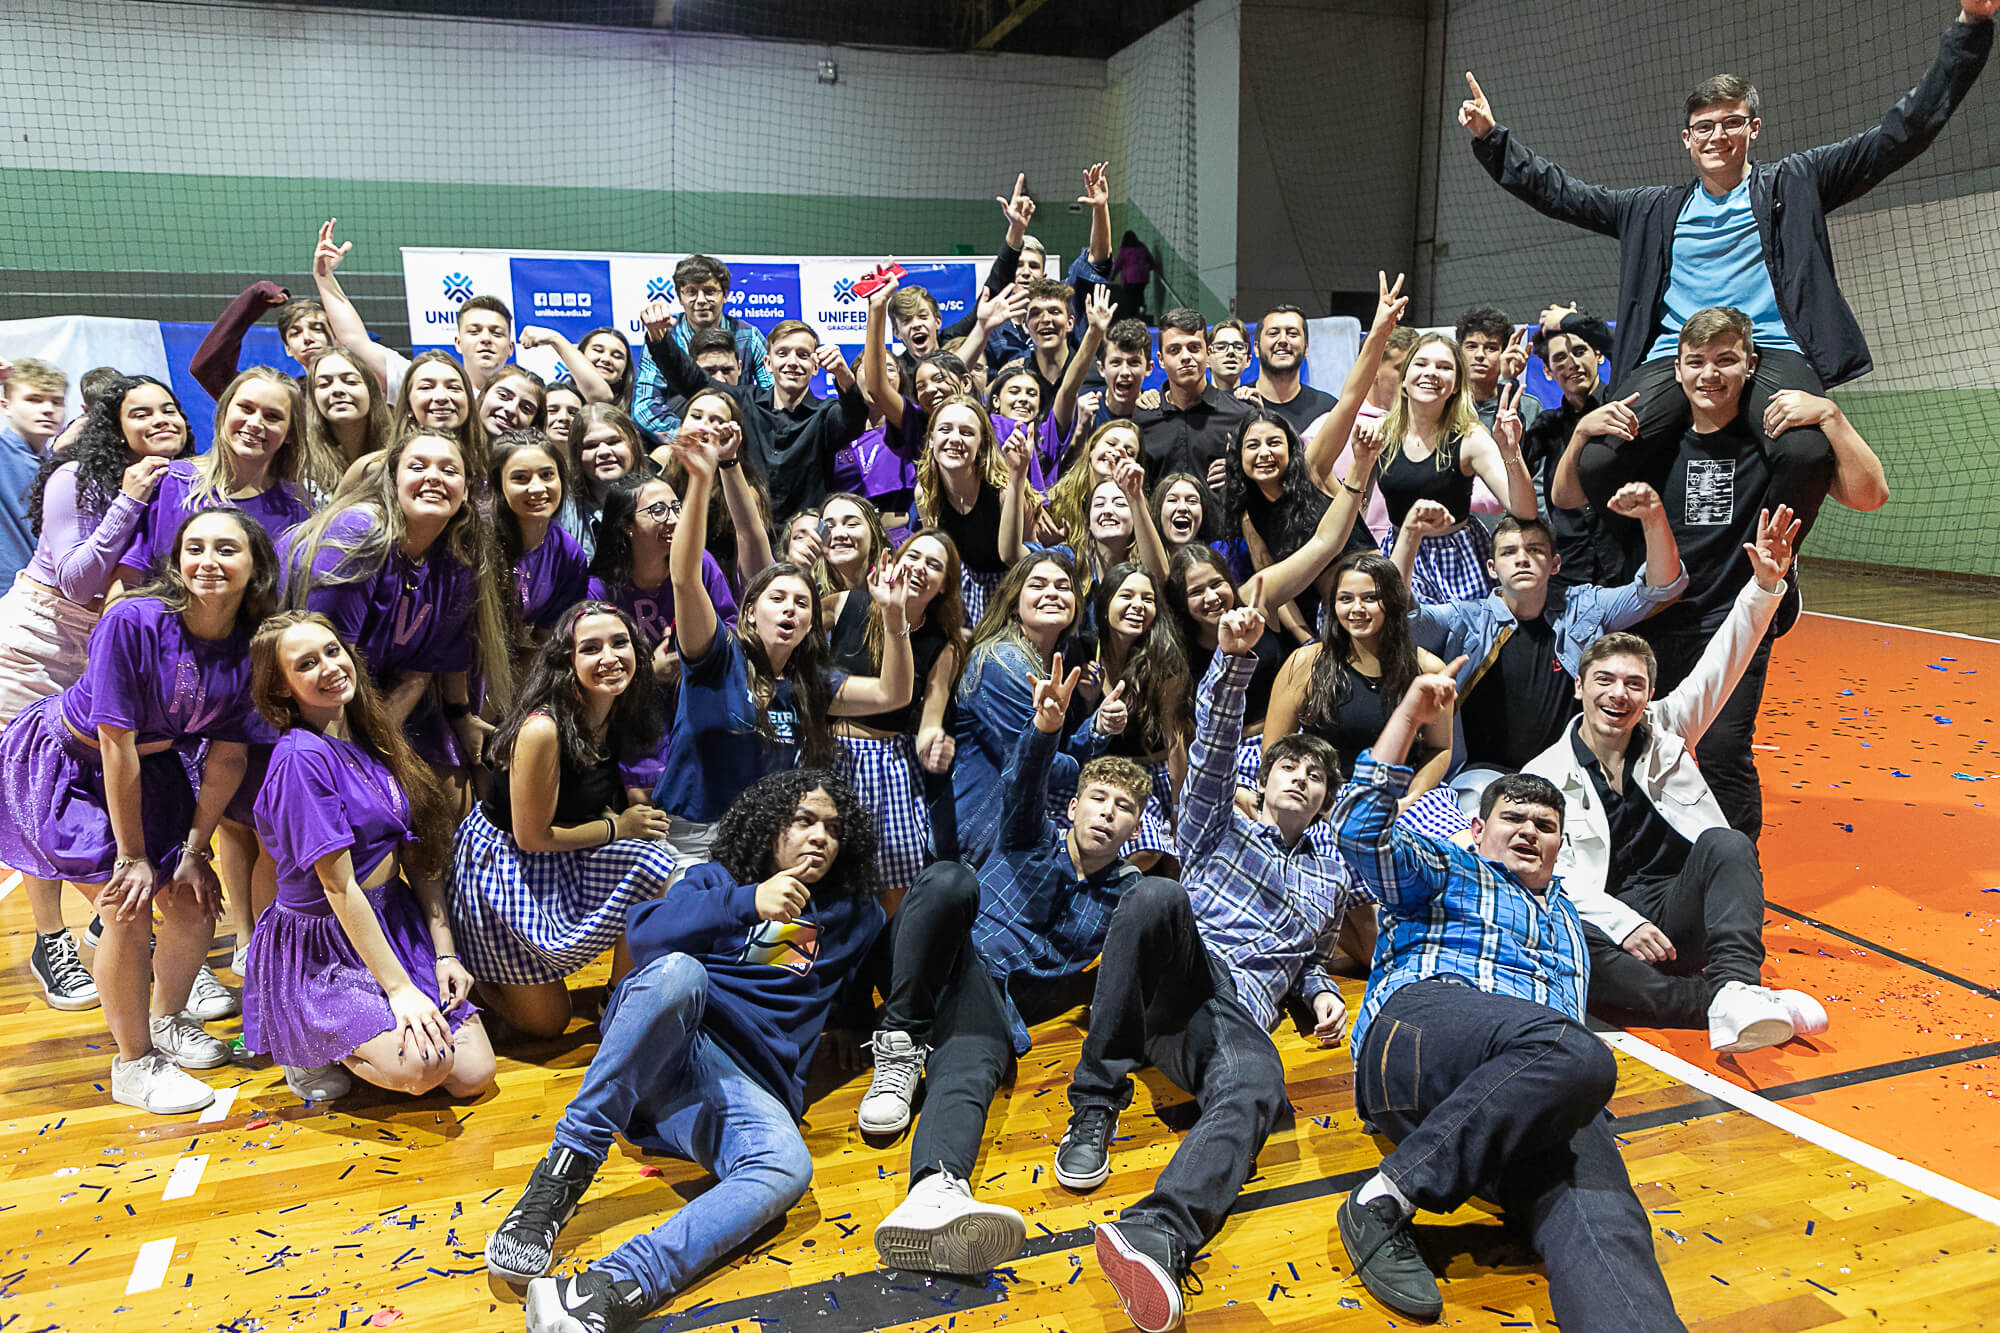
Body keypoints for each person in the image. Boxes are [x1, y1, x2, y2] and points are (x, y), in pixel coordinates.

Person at [1458, 2, 1993, 563]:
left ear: (1753, 129)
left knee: (1807, 451)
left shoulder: (1796, 183)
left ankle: (1767, 566)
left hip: (1770, 351)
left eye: (1732, 122)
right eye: (1704, 127)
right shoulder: (1651, 210)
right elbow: (1562, 193)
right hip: (1673, 357)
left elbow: (1899, 134)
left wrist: (1970, 28)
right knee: (1599, 461)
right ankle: (1647, 567)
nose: (1718, 135)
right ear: (1686, 139)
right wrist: (1493, 140)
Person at [1333, 671, 1683, 1330]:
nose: (1528, 830)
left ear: (1560, 845)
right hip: (1422, 1034)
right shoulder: (1445, 866)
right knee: (1572, 1049)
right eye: (1513, 818)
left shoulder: (1571, 929)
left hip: (1522, 1093)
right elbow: (1357, 831)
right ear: (1477, 826)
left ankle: (1395, 1191)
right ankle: (1390, 1192)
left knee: (1609, 1223)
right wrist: (1410, 716)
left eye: (1544, 824)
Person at [486, 770, 885, 1333]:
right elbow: (646, 936)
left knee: (788, 1166)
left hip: (739, 1090)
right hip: (667, 1040)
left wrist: (849, 1022)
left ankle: (608, 1288)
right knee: (679, 972)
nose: (819, 836)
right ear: (771, 826)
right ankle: (562, 1173)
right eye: (803, 820)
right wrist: (749, 901)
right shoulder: (716, 881)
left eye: (832, 828)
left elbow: (851, 976)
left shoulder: (855, 916)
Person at [1065, 607, 1365, 1333]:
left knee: (1262, 1083)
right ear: (1263, 782)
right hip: (1184, 968)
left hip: (1224, 1018)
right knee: (1157, 891)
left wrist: (1322, 992)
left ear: (1326, 797)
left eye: (1315, 773)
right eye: (1288, 765)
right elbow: (1208, 761)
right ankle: (1093, 1105)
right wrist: (1232, 664)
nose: (1301, 776)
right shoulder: (1220, 824)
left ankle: (1157, 1233)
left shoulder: (1332, 875)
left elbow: (1310, 958)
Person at [861, 663, 1154, 1281]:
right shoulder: (1029, 836)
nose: (1107, 813)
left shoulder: (1129, 897)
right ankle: (899, 1039)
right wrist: (1045, 727)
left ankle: (935, 1190)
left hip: (987, 1000)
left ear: (1135, 827)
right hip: (928, 960)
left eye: (1123, 807)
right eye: (1097, 799)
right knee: (950, 878)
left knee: (975, 1062)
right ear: (1073, 806)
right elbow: (1023, 783)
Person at [1556, 307, 1887, 836]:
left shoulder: (1770, 447)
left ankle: (1734, 874)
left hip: (1729, 622)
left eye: (1725, 361)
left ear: (1750, 366)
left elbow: (1871, 496)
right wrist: (1579, 436)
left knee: (1724, 751)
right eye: (1697, 362)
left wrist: (1831, 417)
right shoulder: (1654, 445)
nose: (1710, 375)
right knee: (1637, 741)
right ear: (1679, 371)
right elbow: (1567, 496)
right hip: (1655, 617)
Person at [0, 510, 275, 1113]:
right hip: (72, 765)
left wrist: (197, 852)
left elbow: (227, 758)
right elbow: (114, 742)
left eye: (225, 549)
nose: (207, 560)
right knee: (125, 906)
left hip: (154, 771)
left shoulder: (254, 648)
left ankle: (168, 1019)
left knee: (193, 898)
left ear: (255, 568)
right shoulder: (134, 619)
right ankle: (133, 1061)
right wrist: (132, 857)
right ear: (176, 561)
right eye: (194, 547)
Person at [1524, 507, 1828, 1052]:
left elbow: (1723, 661)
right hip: (1613, 918)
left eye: (1634, 685)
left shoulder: (1669, 727)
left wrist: (1765, 586)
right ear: (1579, 689)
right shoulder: (1543, 776)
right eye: (1605, 681)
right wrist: (1622, 925)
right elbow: (1556, 878)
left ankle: (1737, 983)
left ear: (1647, 695)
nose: (1619, 694)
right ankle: (1731, 1001)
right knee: (1572, 948)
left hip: (1679, 906)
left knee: (1728, 843)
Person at [245, 610, 497, 1103]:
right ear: (281, 690)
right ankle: (311, 1046)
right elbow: (339, 888)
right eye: (306, 664)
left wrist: (444, 950)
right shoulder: (300, 759)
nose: (330, 667)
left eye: (333, 651)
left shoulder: (369, 735)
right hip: (325, 946)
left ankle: (366, 1031)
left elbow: (418, 853)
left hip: (391, 920)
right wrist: (402, 992)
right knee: (427, 1066)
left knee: (472, 1075)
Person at [1, 376, 191, 1007]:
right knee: (35, 792)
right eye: (142, 412)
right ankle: (50, 940)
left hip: (104, 650)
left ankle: (107, 918)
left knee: (94, 790)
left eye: (169, 408)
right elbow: (79, 581)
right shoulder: (75, 479)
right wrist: (127, 501)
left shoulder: (186, 481)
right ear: (116, 426)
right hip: (36, 644)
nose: (160, 419)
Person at [648, 428, 913, 864]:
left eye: (802, 603)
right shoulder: (716, 655)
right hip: (691, 838)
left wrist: (894, 618)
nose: (790, 609)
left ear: (812, 622)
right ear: (749, 611)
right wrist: (700, 480)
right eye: (777, 599)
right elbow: (684, 577)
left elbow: (893, 694)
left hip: (762, 840)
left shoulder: (812, 683)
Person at [450, 603, 680, 1040]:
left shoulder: (618, 710)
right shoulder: (543, 728)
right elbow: (532, 836)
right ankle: (478, 975)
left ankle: (616, 994)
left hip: (563, 849)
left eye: (619, 643)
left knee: (658, 863)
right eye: (590, 648)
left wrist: (622, 820)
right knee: (547, 1025)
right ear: (567, 662)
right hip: (504, 868)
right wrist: (619, 827)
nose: (609, 657)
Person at [1405, 503, 1686, 809]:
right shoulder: (1465, 619)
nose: (1522, 559)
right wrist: (1409, 535)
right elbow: (1400, 619)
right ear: (1491, 568)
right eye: (1509, 552)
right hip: (1481, 776)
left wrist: (1654, 515)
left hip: (1566, 770)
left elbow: (1663, 588)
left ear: (1555, 563)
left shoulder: (1582, 608)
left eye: (1535, 550)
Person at [285, 430, 515, 785]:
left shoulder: (456, 557)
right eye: (418, 466)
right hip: (295, 708)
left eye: (449, 470)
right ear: (392, 481)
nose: (434, 477)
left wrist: (374, 752)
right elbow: (323, 668)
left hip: (366, 706)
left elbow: (419, 672)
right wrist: (350, 766)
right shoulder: (359, 531)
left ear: (466, 491)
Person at [1265, 552, 1468, 842]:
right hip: (1321, 795)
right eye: (1345, 599)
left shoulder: (1427, 669)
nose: (1356, 609)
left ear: (1394, 604)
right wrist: (1318, 800)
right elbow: (1275, 748)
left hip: (1400, 796)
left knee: (1462, 849)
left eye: (1370, 598)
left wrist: (1408, 800)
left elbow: (1440, 750)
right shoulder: (1305, 663)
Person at [948, 552, 1129, 866]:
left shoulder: (1059, 658)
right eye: (1038, 585)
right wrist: (1086, 767)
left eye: (1063, 586)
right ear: (1014, 605)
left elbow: (1047, 751)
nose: (1052, 593)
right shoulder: (1001, 662)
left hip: (1012, 830)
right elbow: (1036, 763)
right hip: (978, 843)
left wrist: (1098, 724)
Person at [827, 530, 967, 906]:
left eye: (934, 565)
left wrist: (932, 744)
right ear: (895, 559)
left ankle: (887, 960)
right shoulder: (847, 605)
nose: (920, 568)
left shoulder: (944, 644)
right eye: (914, 556)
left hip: (888, 765)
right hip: (828, 753)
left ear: (943, 587)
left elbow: (931, 717)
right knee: (825, 874)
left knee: (893, 886)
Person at [640, 305, 868, 521]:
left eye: (803, 355)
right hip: (745, 536)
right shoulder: (742, 401)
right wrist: (659, 338)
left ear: (816, 367)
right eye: (782, 353)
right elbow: (691, 379)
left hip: (805, 541)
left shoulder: (827, 414)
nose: (792, 362)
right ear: (768, 363)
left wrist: (843, 375)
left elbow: (855, 419)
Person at [114, 367, 325, 584]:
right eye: (246, 408)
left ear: (289, 432)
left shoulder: (298, 508)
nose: (254, 423)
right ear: (224, 411)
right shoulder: (173, 482)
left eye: (272, 416)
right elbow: (129, 576)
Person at [1373, 332, 1539, 605]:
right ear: (1404, 379)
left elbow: (1525, 510)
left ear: (1456, 385)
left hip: (1457, 557)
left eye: (1444, 367)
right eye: (1421, 364)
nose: (1431, 373)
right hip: (1400, 552)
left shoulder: (1470, 437)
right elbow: (1345, 492)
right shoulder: (1382, 433)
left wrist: (1512, 452)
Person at [312, 218, 517, 406]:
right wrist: (324, 278)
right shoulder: (422, 384)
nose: (486, 339)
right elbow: (355, 341)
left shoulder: (523, 400)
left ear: (510, 347)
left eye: (496, 333)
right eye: (474, 331)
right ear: (458, 342)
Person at [1518, 305, 1618, 583]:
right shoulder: (1546, 426)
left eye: (1580, 351)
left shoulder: (1621, 404)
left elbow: (1621, 348)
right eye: (1560, 358)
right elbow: (1509, 464)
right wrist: (1506, 381)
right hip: (1569, 569)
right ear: (1549, 372)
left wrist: (1571, 321)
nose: (1571, 363)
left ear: (1598, 356)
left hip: (1624, 564)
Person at [631, 254, 774, 440]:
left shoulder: (749, 336)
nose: (700, 300)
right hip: (683, 432)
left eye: (709, 291)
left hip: (738, 431)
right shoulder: (663, 335)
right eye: (691, 292)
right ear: (680, 297)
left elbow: (773, 396)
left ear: (725, 296)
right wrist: (687, 436)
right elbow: (645, 406)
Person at [1132, 310, 1253, 487]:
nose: (1186, 357)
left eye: (1194, 348)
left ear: (1208, 353)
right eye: (1174, 350)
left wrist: (1240, 471)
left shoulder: (1241, 415)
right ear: (1161, 360)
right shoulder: (1144, 417)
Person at [489, 431, 591, 640]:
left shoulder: (568, 552)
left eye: (547, 475)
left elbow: (546, 636)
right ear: (499, 485)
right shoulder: (477, 541)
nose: (537, 488)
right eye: (520, 478)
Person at [188, 284, 332, 396]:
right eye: (295, 334)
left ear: (336, 338)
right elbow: (206, 368)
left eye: (317, 329)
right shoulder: (284, 397)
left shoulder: (353, 385)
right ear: (288, 349)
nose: (307, 338)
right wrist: (254, 300)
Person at [2, 358, 68, 588]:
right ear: (5, 405)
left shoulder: (61, 465)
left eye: (57, 401)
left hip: (47, 599)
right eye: (33, 400)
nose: (48, 409)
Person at [557, 403, 647, 561]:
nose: (604, 452)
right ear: (577, 455)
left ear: (632, 443)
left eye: (614, 441)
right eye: (591, 445)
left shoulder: (661, 500)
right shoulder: (560, 509)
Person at [300, 346, 396, 482]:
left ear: (372, 390)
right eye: (323, 384)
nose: (337, 390)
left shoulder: (400, 454)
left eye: (350, 381)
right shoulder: (300, 460)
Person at [1456, 306, 1542, 440]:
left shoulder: (1528, 407)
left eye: (1491, 348)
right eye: (1471, 346)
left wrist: (1508, 381)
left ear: (1505, 353)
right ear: (1459, 351)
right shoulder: (1445, 403)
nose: (1480, 355)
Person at [1249, 306, 1335, 437]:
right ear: (1256, 348)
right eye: (1273, 333)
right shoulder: (1233, 405)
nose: (1283, 340)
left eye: (1292, 334)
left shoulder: (1328, 410)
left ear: (1306, 348)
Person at [1112, 229, 1155, 323]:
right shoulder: (1142, 247)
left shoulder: (1125, 250)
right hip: (1143, 277)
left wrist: (1112, 276)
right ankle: (1141, 311)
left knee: (1130, 298)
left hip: (1130, 278)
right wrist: (1149, 268)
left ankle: (1131, 318)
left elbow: (1118, 264)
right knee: (1140, 295)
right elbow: (1151, 261)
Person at [1205, 319, 1251, 394]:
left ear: (1248, 360)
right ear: (1207, 359)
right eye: (1221, 347)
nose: (1231, 351)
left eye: (1238, 347)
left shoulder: (1255, 402)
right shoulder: (1195, 402)